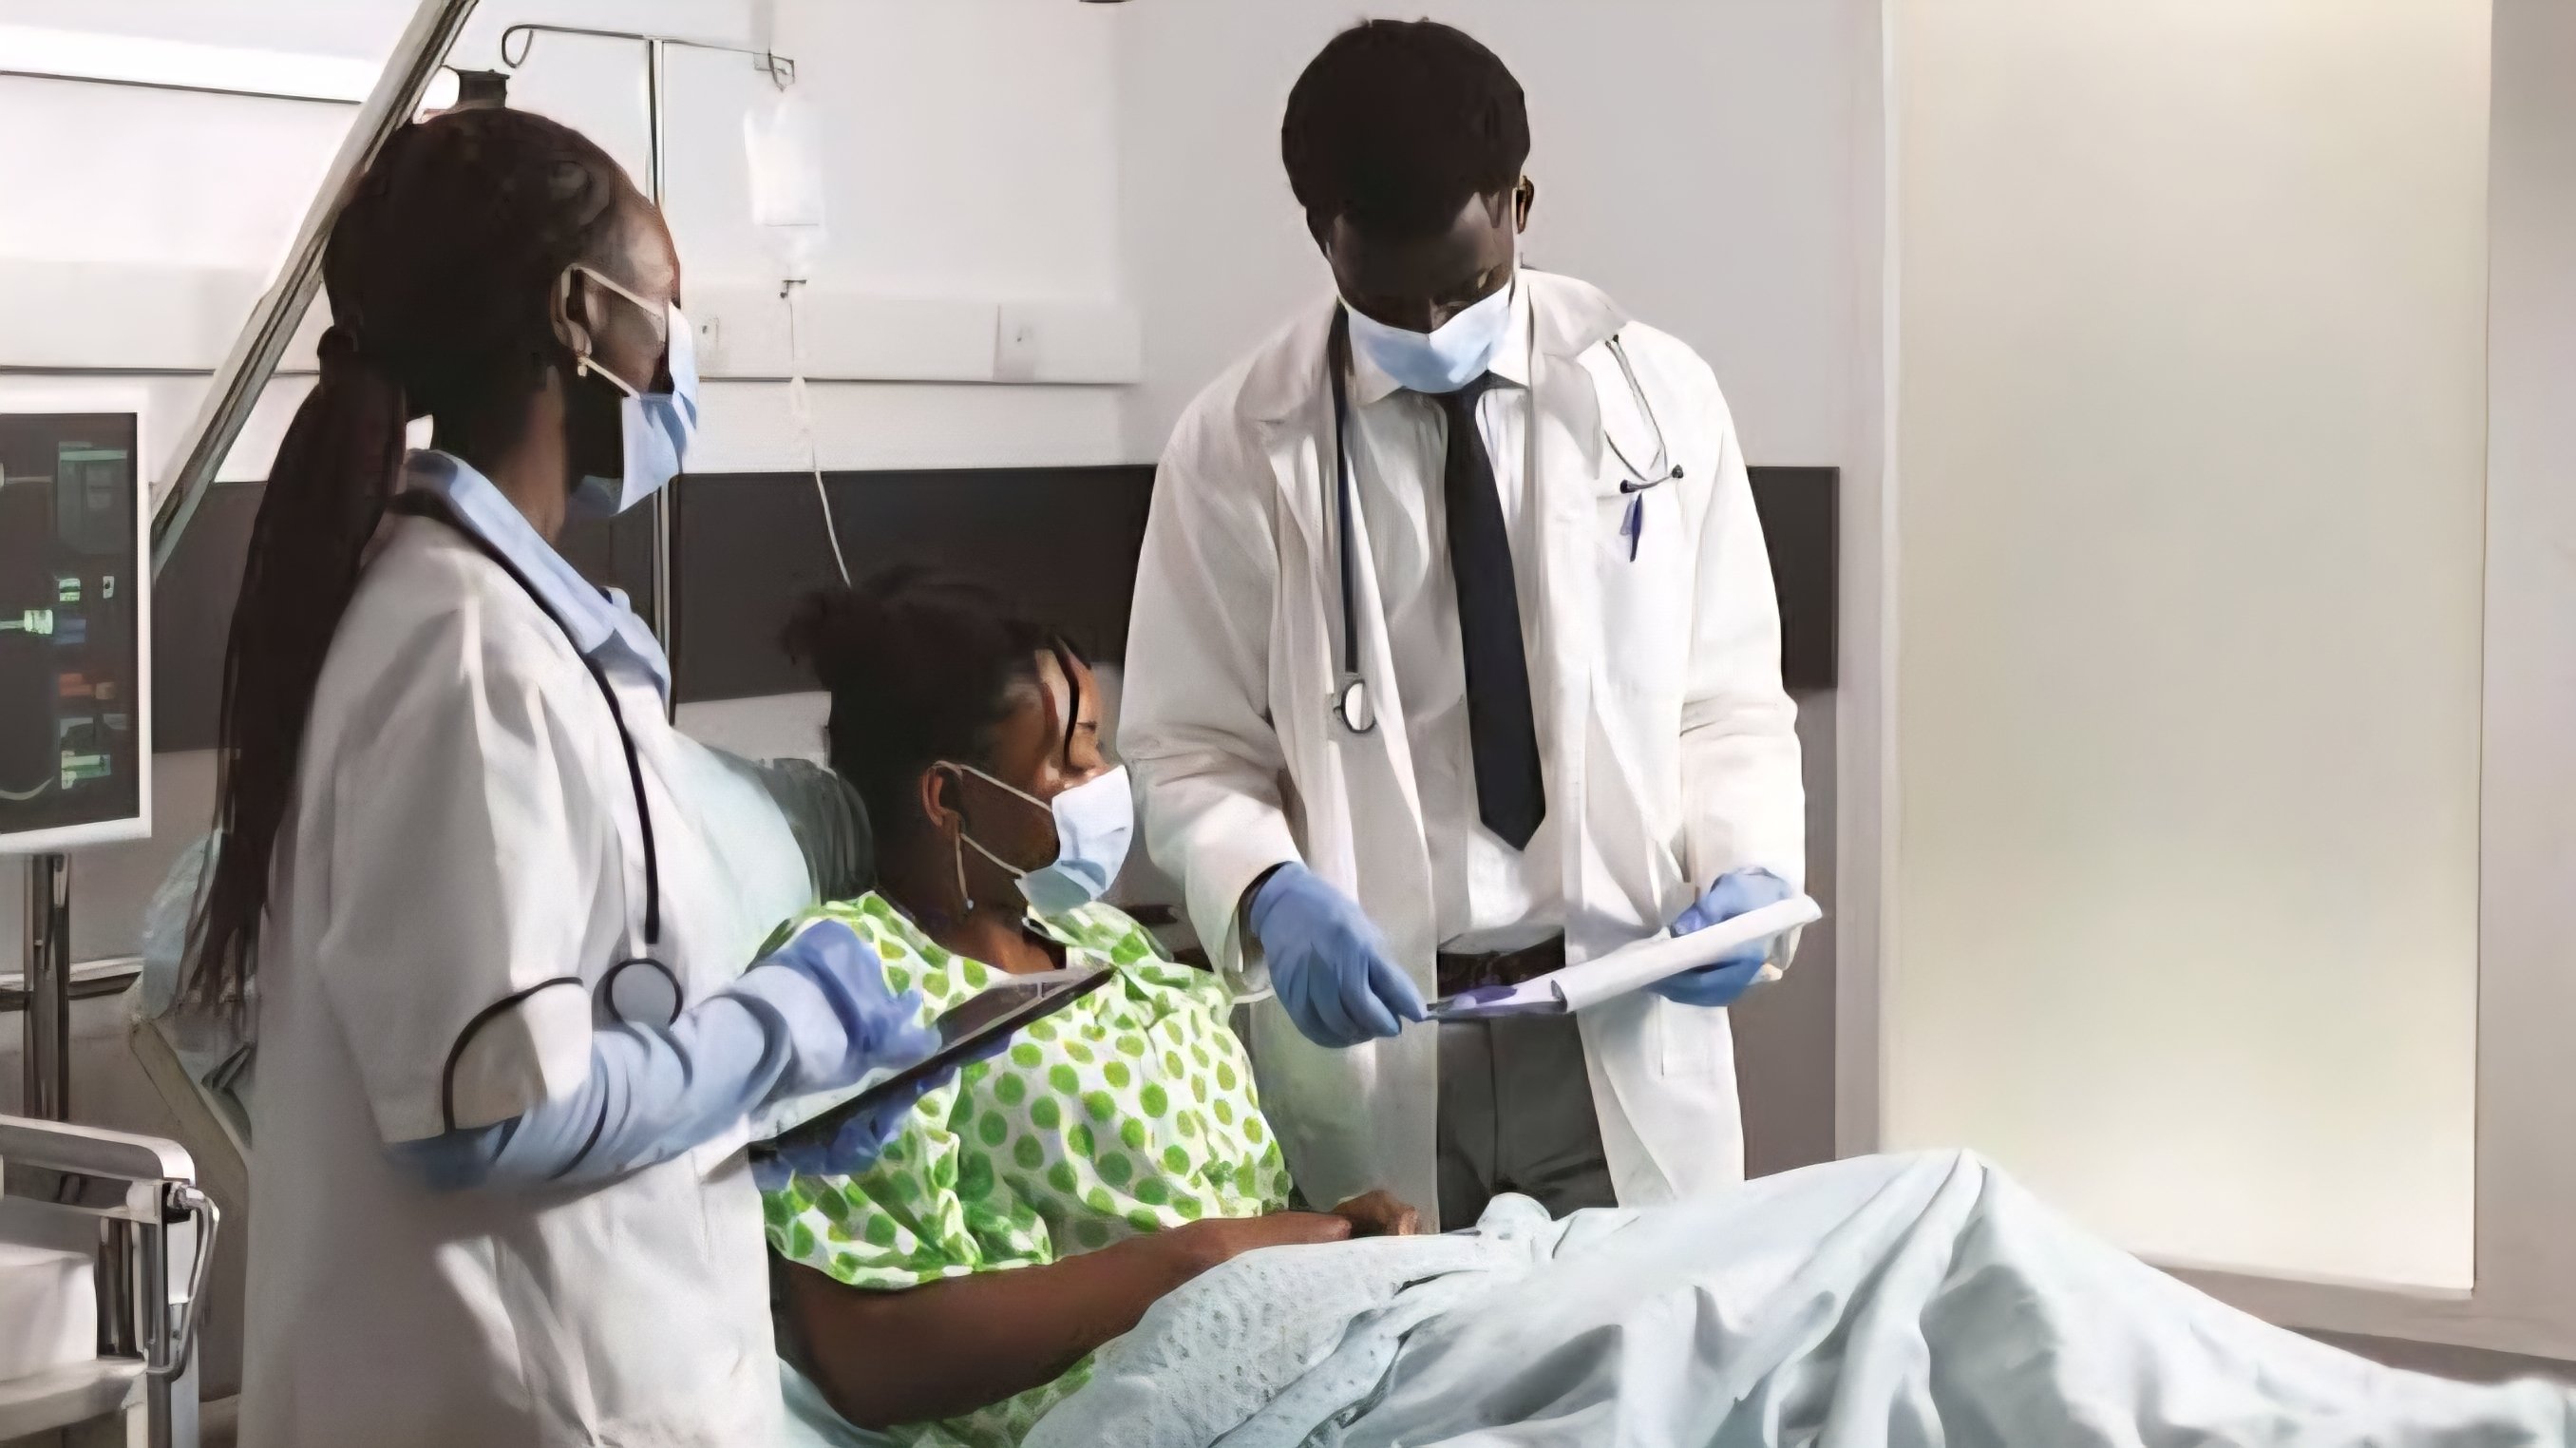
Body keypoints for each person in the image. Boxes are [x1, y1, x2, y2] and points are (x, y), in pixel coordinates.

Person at [185, 108, 941, 1447]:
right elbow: (488, 1116)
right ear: (581, 317)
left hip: (597, 1370)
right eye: (673, 307)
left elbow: (566, 1028)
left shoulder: (500, 629)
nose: (685, 356)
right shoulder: (462, 654)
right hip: (522, 1404)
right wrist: (774, 1031)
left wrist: (738, 1112)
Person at [1120, 18, 1806, 1229]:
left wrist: (1746, 865)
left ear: (1521, 204)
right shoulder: (1236, 450)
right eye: (1387, 292)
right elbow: (1187, 748)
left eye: (1468, 283)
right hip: (1387, 1041)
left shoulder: (1661, 401)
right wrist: (1269, 888)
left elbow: (1727, 701)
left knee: (1635, 1380)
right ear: (1320, 233)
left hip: (1613, 1013)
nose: (1433, 322)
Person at [760, 570, 1425, 1448]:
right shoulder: (856, 983)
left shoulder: (1104, 942)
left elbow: (1198, 1190)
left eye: (1099, 748)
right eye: (1070, 757)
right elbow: (873, 1357)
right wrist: (1203, 1261)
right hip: (1158, 1406)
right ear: (948, 797)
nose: (1105, 781)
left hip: (1315, 1336)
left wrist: (1334, 1227)